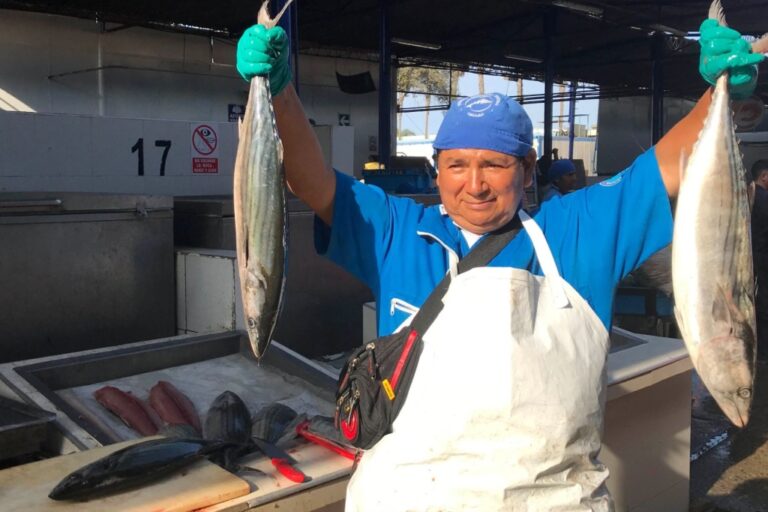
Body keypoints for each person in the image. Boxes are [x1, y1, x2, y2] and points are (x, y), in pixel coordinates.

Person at [236, 17, 763, 512]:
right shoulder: (398, 231)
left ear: (528, 168)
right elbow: (310, 179)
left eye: (495, 163)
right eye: (457, 165)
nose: (476, 184)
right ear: (436, 171)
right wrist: (277, 88)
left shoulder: (577, 230)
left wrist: (719, 93)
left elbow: (667, 166)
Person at [753, 160, 768, 361]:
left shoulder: (750, 194)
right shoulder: (763, 198)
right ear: (764, 176)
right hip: (763, 260)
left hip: (755, 260)